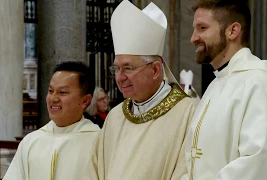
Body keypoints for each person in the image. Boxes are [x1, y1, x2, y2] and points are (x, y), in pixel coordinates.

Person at [84, 1, 196, 179]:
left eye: (128, 68)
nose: (120, 77)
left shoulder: (188, 113)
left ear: (155, 70)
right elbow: (94, 171)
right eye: (117, 69)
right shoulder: (115, 117)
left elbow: (188, 171)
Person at [181, 0, 267, 179]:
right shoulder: (218, 83)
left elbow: (257, 165)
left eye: (202, 28)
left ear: (232, 31)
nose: (193, 38)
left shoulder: (259, 83)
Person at [3, 61, 100, 180]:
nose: (53, 98)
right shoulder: (31, 141)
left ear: (85, 100)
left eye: (62, 92)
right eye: (50, 91)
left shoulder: (98, 142)